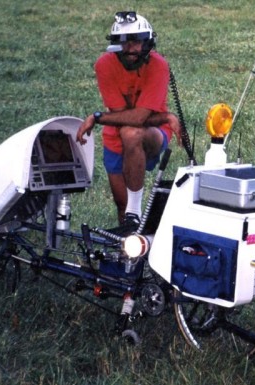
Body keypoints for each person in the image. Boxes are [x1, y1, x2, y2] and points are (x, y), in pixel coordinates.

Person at [76, 11, 182, 227]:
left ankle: (135, 210)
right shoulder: (104, 65)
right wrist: (166, 116)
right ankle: (128, 238)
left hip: (153, 134)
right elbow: (126, 116)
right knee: (121, 206)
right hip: (116, 134)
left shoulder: (158, 65)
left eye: (136, 42)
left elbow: (138, 119)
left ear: (148, 43)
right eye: (124, 42)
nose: (130, 48)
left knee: (131, 133)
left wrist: (98, 117)